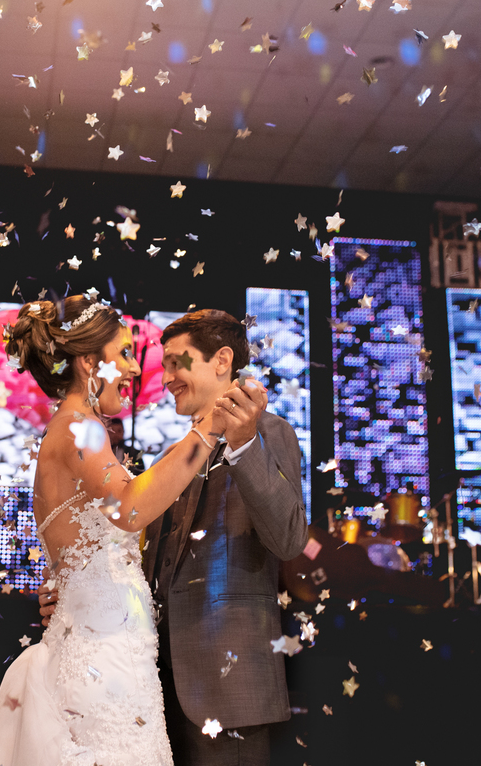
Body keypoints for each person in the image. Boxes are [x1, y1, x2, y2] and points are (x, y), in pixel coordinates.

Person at [41, 309, 308, 765]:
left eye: (175, 363)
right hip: (154, 688)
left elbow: (287, 539)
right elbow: (146, 559)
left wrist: (243, 445)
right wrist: (76, 589)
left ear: (221, 360)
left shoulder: (269, 432)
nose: (162, 378)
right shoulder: (174, 458)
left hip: (230, 691)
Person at [0, 294, 227, 766]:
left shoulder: (79, 431)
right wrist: (208, 430)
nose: (133, 369)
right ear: (89, 362)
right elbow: (130, 510)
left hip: (111, 653)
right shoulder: (76, 430)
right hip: (100, 665)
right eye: (124, 354)